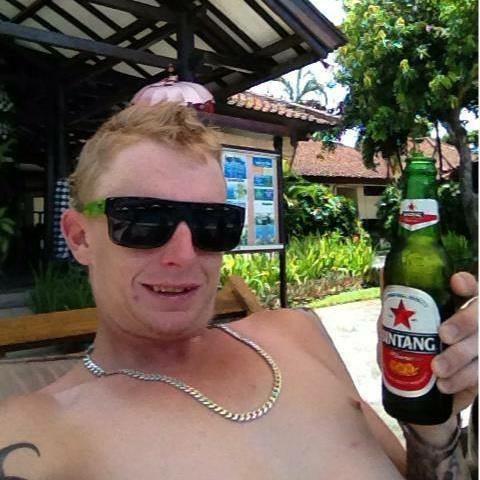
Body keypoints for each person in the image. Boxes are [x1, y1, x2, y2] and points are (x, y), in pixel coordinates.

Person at [0, 102, 477, 480]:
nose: (184, 254)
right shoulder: (35, 436)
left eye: (212, 224)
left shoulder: (297, 334)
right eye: (144, 220)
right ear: (80, 237)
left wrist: (434, 424)